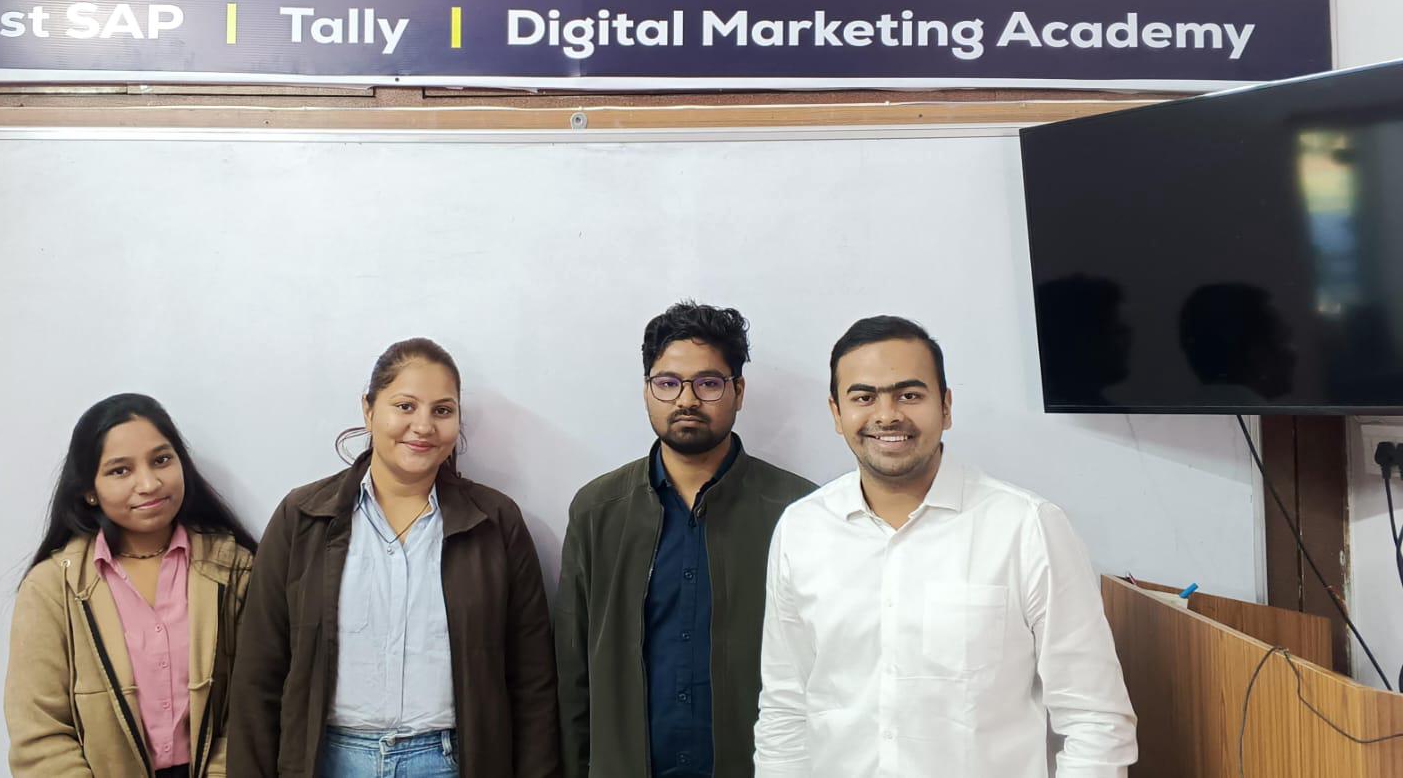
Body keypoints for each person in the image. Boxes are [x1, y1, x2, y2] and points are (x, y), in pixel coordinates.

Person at [754, 315, 1137, 777]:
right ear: (837, 413)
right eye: (864, 397)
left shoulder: (1026, 528)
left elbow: (1095, 718)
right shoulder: (802, 529)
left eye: (909, 395)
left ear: (946, 407)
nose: (887, 415)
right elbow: (785, 707)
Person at [229, 338, 559, 778]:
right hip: (329, 761)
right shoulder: (302, 517)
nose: (423, 426)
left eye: (442, 410)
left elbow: (532, 680)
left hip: (452, 762)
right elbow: (258, 673)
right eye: (405, 406)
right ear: (368, 410)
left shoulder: (495, 523)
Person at [556, 301, 814, 778]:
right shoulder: (597, 510)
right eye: (668, 382)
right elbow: (573, 672)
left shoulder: (799, 512)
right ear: (647, 390)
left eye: (708, 383)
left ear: (738, 391)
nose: (687, 400)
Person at [6, 393, 258, 778]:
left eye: (161, 460)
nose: (149, 483)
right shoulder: (53, 588)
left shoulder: (234, 569)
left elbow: (252, 705)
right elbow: (39, 733)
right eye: (120, 471)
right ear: (89, 490)